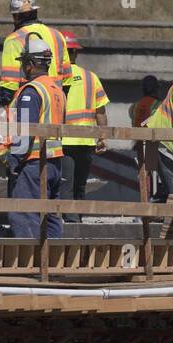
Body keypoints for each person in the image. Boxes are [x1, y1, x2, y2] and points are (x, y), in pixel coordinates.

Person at [2, 33, 66, 239]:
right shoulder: (56, 90)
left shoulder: (31, 91)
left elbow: (25, 130)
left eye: (24, 63)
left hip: (33, 164)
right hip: (54, 162)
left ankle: (31, 265)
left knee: (24, 214)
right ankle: (53, 266)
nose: (22, 68)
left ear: (30, 64)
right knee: (51, 216)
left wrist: (14, 160)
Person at [58, 30, 108, 219]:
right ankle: (78, 220)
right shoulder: (91, 77)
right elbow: (100, 112)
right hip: (86, 142)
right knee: (79, 185)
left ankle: (69, 223)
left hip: (64, 141)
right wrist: (103, 137)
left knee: (65, 184)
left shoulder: (57, 79)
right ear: (76, 53)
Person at [0, 0, 70, 107]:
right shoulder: (57, 36)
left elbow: (9, 84)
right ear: (35, 11)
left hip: (27, 105)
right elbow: (67, 79)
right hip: (56, 104)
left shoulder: (14, 39)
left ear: (15, 16)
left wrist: (2, 107)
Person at [142, 77, 173, 201]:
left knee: (155, 179)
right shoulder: (159, 102)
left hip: (150, 139)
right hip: (164, 141)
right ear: (156, 88)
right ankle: (160, 201)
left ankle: (156, 200)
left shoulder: (136, 105)